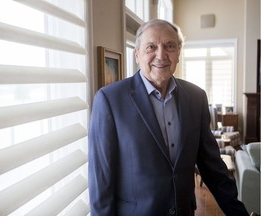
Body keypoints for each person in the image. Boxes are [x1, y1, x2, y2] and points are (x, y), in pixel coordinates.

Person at [88, 19, 249, 216]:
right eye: (151, 47)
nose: (161, 55)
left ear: (179, 53)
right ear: (137, 54)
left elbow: (212, 166)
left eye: (170, 46)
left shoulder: (196, 97)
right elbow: (101, 180)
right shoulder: (109, 100)